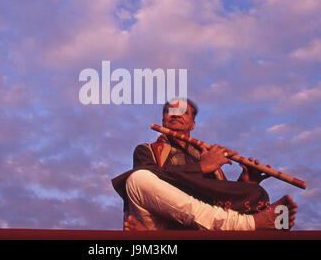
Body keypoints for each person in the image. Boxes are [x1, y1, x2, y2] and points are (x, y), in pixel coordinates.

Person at [111, 98, 297, 230]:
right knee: (138, 179)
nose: (175, 115)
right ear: (163, 120)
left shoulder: (207, 154)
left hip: (200, 228)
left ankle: (253, 223)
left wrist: (247, 181)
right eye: (170, 111)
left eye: (182, 112)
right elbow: (154, 184)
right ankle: (248, 225)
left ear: (192, 124)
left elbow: (221, 199)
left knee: (256, 193)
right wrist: (201, 167)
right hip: (160, 224)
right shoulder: (146, 150)